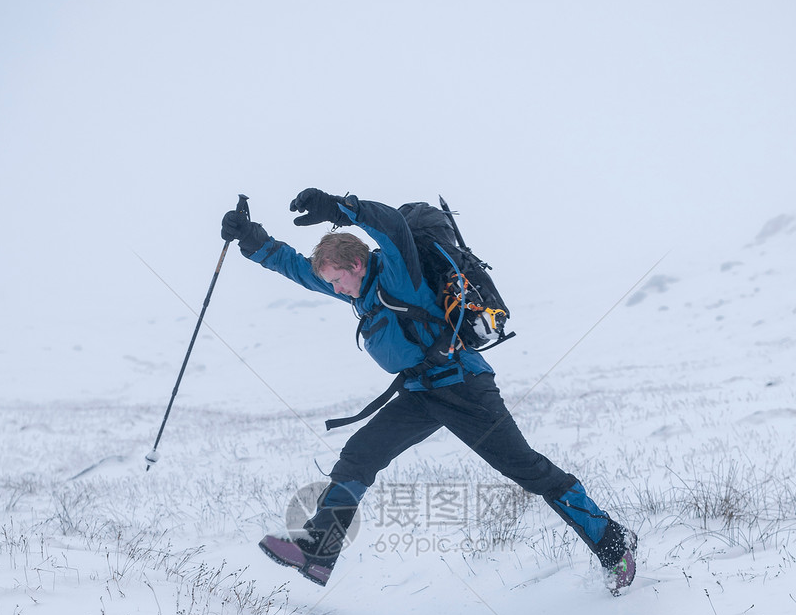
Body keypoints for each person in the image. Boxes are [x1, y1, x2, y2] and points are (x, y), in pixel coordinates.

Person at [221, 189, 637, 593]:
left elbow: (392, 226)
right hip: (420, 393)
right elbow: (296, 267)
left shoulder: (399, 274)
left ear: (357, 262)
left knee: (526, 469)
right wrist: (251, 238)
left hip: (463, 387)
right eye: (330, 282)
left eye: (337, 279)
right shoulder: (361, 292)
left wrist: (341, 207)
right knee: (359, 456)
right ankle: (317, 550)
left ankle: (613, 542)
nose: (335, 288)